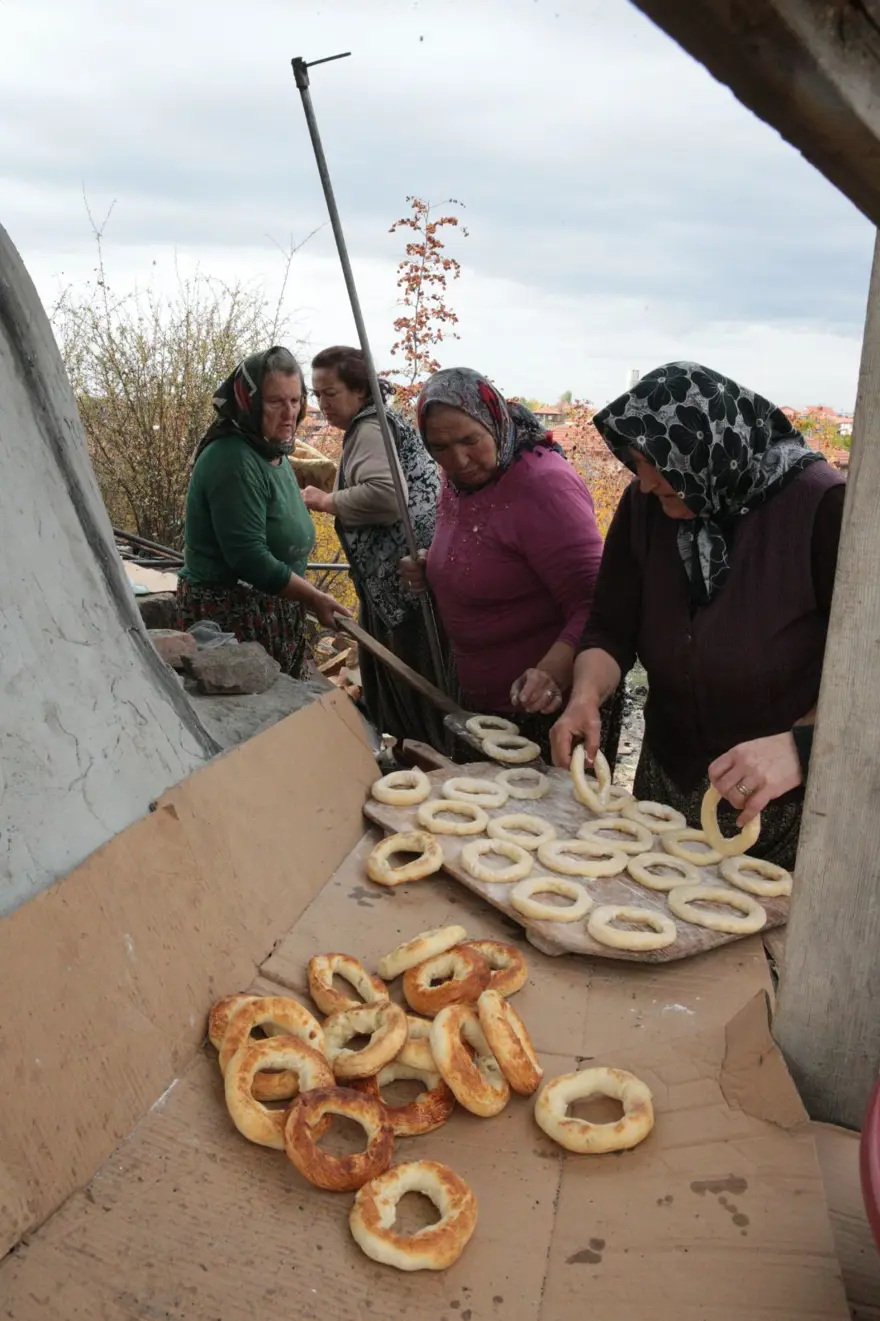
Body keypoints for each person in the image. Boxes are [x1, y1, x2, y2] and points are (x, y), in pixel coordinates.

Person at [550, 361, 846, 870]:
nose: (643, 484)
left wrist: (802, 747)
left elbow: (870, 668)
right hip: (667, 781)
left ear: (709, 452)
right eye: (635, 461)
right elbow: (610, 626)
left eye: (656, 466)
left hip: (781, 806)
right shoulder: (647, 502)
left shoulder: (822, 508)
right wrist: (584, 696)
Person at [400, 366, 622, 763]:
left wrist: (550, 673)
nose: (459, 459)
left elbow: (597, 602)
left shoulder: (543, 485)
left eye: (471, 440)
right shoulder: (461, 481)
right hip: (481, 702)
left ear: (495, 423)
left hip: (546, 709)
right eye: (440, 447)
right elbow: (485, 550)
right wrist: (434, 566)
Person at [177, 346, 350, 677]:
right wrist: (314, 597)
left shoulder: (272, 451)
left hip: (272, 615)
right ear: (250, 403)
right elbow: (248, 557)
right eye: (275, 402)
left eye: (295, 401)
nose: (289, 413)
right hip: (230, 624)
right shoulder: (232, 458)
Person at [302, 345, 445, 747]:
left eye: (330, 393)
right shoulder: (382, 421)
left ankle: (415, 769)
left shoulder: (368, 427)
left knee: (405, 691)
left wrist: (326, 500)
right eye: (316, 394)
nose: (322, 404)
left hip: (402, 590)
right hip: (413, 582)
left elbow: (385, 495)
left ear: (360, 391)